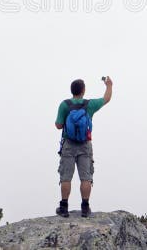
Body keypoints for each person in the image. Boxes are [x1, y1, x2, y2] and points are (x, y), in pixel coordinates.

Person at [54, 76, 113, 218]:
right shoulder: (89, 105)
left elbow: (58, 125)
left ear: (72, 91)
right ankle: (85, 207)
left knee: (66, 177)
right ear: (83, 91)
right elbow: (106, 99)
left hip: (68, 145)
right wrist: (109, 86)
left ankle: (64, 207)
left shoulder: (65, 105)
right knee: (85, 177)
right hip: (85, 145)